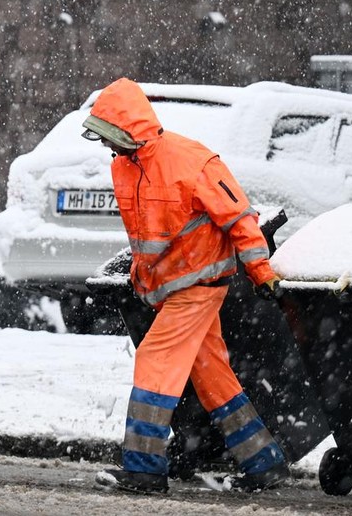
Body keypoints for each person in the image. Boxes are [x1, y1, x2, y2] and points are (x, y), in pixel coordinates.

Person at [84, 77, 290, 495]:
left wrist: (261, 272)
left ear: (130, 130)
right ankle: (264, 462)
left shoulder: (190, 161)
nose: (108, 147)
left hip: (200, 284)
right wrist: (142, 278)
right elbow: (148, 237)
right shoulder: (125, 166)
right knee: (213, 376)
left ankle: (144, 469)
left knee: (155, 363)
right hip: (172, 288)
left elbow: (240, 220)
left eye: (111, 137)